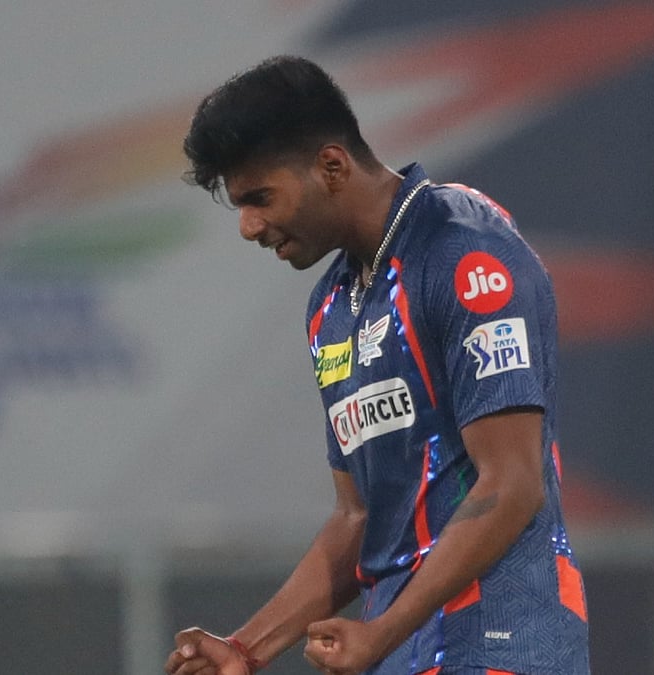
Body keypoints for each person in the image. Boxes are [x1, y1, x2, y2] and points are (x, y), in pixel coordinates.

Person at [166, 55, 589, 675]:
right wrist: (245, 649)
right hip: (400, 653)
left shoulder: (463, 251)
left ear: (331, 166)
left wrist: (382, 631)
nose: (248, 226)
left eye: (259, 198)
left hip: (502, 646)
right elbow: (359, 517)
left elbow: (513, 481)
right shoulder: (331, 308)